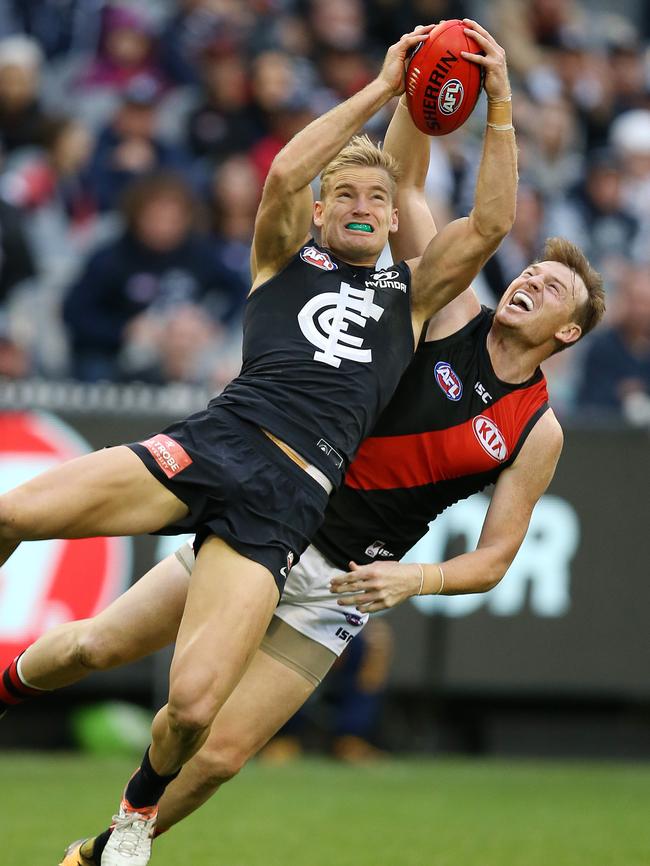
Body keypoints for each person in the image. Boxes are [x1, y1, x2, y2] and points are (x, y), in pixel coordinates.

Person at [0, 19, 517, 866]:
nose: (361, 207)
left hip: (287, 501)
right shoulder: (282, 258)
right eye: (344, 195)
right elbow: (282, 171)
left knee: (196, 709)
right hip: (217, 441)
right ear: (319, 211)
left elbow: (491, 222)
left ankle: (131, 823)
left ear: (394, 221)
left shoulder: (414, 298)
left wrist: (498, 103)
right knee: (14, 517)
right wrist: (385, 89)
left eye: (378, 199)